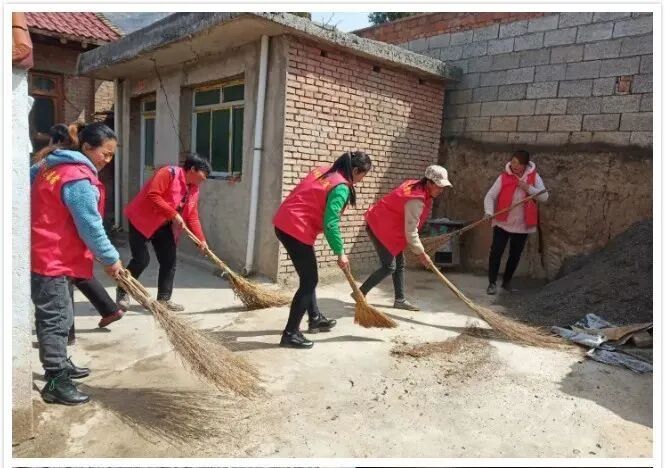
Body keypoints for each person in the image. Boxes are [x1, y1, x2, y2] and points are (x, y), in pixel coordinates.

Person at [31, 122, 122, 405]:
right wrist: (111, 258)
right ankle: (55, 380)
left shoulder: (50, 166)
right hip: (53, 256)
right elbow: (90, 224)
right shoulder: (77, 177)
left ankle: (60, 362)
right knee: (56, 318)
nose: (107, 160)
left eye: (112, 155)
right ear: (86, 147)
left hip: (52, 251)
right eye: (105, 153)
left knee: (62, 314)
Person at [273, 151, 372, 349]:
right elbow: (331, 223)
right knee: (309, 281)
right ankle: (290, 334)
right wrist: (340, 252)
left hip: (284, 221)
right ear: (355, 171)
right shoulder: (341, 187)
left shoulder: (324, 171)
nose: (362, 180)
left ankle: (315, 318)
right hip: (295, 228)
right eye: (363, 175)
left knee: (308, 277)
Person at [116, 153, 210, 312]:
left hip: (163, 224)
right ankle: (122, 289)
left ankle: (163, 300)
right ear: (193, 169)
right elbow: (153, 195)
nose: (205, 178)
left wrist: (201, 240)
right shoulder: (168, 173)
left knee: (169, 260)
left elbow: (192, 216)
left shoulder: (194, 189)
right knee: (141, 260)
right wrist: (173, 214)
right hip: (141, 220)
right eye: (204, 174)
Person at [358, 165, 453, 310]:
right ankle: (360, 293)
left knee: (400, 264)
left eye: (443, 187)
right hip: (380, 228)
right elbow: (411, 232)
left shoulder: (415, 186)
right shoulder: (416, 199)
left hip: (389, 227)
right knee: (389, 266)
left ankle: (400, 300)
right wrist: (422, 254)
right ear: (428, 182)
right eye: (439, 186)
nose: (441, 190)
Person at [483, 149, 549, 295]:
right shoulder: (504, 177)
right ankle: (492, 283)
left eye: (518, 164)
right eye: (513, 162)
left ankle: (506, 282)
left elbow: (544, 197)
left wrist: (528, 188)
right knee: (496, 252)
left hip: (522, 225)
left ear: (525, 165)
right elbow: (490, 196)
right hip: (502, 222)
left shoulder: (534, 177)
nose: (514, 166)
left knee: (515, 255)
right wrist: (489, 212)